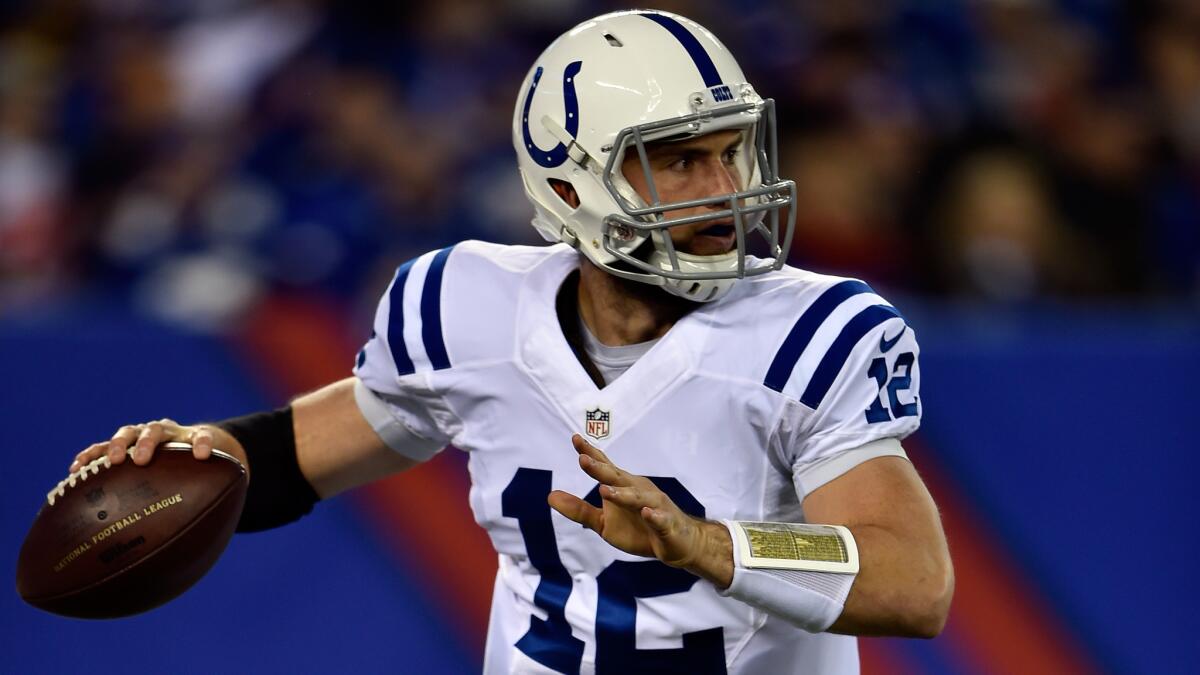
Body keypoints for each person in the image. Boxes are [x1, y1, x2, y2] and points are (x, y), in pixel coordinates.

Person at [70, 10, 952, 674]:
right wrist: (209, 453)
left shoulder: (814, 331)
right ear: (572, 189)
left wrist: (712, 544)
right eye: (682, 158)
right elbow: (314, 450)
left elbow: (914, 582)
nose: (726, 187)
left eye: (734, 150)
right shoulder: (466, 307)